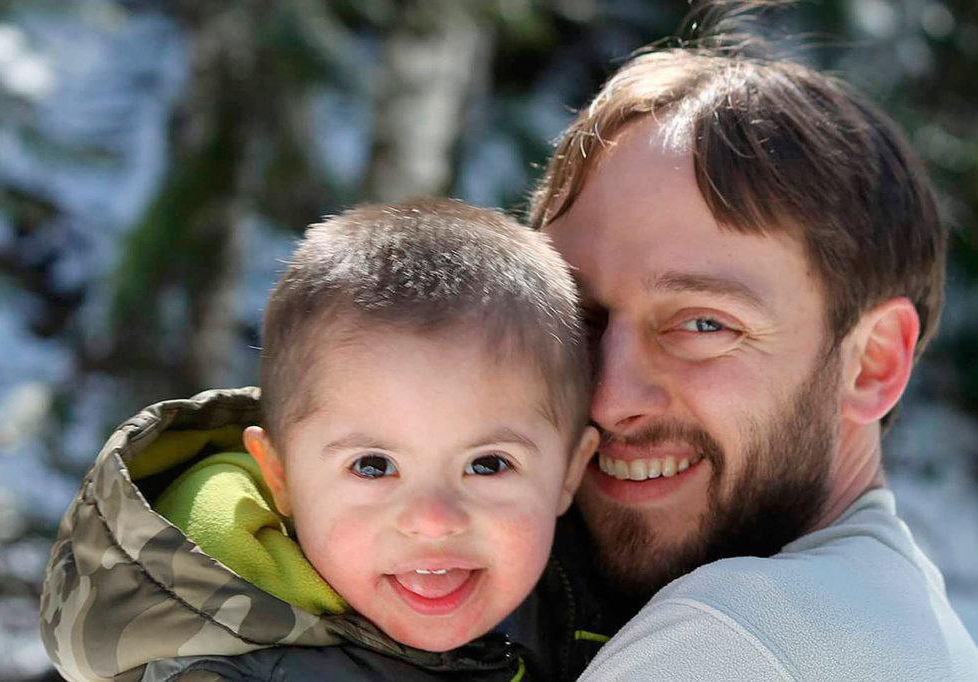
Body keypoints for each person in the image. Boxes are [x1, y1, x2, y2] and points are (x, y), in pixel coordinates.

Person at [527, 19, 978, 682]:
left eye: (703, 325)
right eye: (578, 316)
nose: (607, 398)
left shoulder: (737, 639)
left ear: (873, 362)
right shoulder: (899, 629)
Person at [39, 199, 604, 681]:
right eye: (374, 466)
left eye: (487, 465)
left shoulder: (572, 605)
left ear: (569, 474)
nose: (433, 519)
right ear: (281, 477)